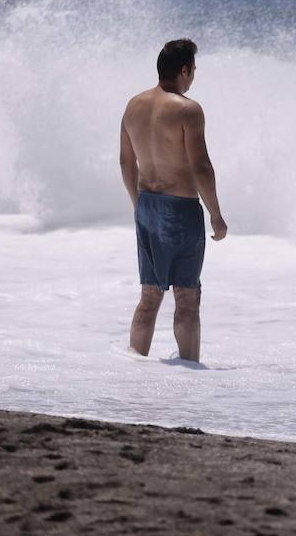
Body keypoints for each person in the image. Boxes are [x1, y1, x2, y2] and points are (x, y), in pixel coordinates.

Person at [119, 38, 228, 362]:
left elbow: (126, 162)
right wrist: (216, 214)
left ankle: (133, 368)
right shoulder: (188, 109)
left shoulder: (133, 105)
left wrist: (138, 206)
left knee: (149, 296)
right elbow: (200, 166)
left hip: (147, 204)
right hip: (179, 210)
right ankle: (190, 377)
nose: (193, 77)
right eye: (193, 70)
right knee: (187, 296)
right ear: (184, 71)